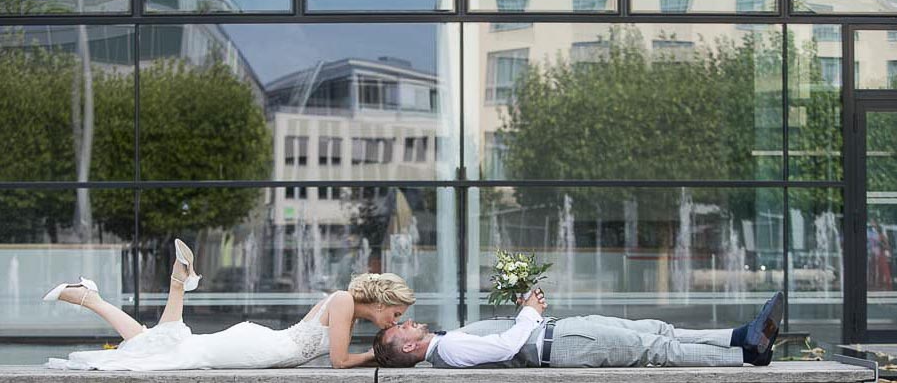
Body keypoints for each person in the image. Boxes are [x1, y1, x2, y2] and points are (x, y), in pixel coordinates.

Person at [43, 238, 415, 370]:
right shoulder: (344, 301)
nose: (393, 322)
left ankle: (88, 296)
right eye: (396, 314)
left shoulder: (343, 305)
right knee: (175, 353)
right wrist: (377, 356)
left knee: (164, 346)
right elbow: (339, 362)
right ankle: (175, 283)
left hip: (261, 345)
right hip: (259, 348)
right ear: (382, 302)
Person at [374, 290, 783, 369]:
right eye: (402, 328)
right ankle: (747, 353)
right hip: (562, 343)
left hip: (563, 332)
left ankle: (740, 334)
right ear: (410, 347)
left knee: (657, 327)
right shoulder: (449, 353)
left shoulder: (443, 344)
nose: (407, 321)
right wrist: (530, 313)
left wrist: (527, 312)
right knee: (655, 349)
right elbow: (504, 347)